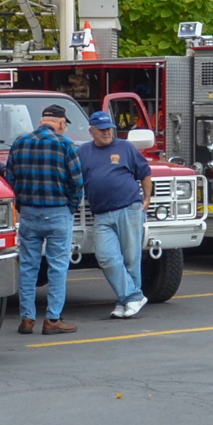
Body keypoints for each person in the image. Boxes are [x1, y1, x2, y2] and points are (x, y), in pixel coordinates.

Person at [0, 104, 84, 335]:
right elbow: (76, 182)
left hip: (29, 214)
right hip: (57, 212)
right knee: (57, 267)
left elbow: (10, 178)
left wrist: (21, 205)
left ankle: (27, 319)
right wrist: (70, 208)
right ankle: (53, 319)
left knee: (28, 267)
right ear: (61, 122)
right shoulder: (65, 145)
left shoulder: (20, 142)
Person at [76, 109, 153, 318]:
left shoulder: (126, 147)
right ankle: (133, 297)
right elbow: (74, 177)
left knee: (131, 259)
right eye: (102, 130)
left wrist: (146, 199)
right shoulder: (82, 152)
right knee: (107, 258)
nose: (107, 132)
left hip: (129, 208)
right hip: (101, 214)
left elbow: (145, 173)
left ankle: (124, 301)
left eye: (109, 128)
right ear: (91, 131)